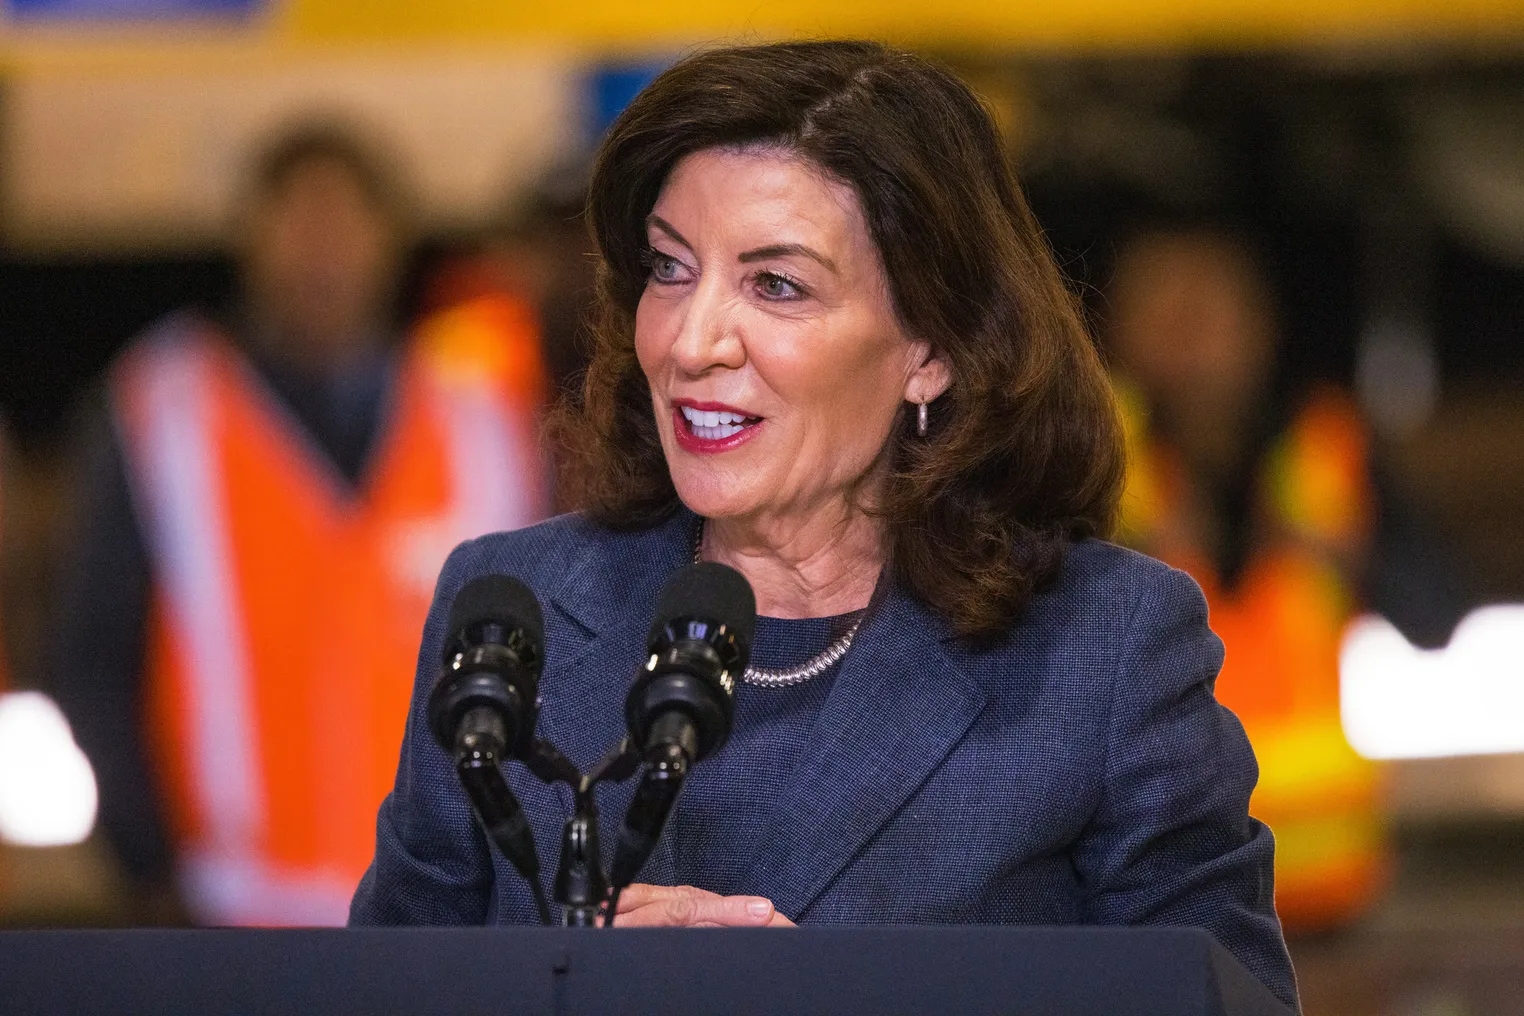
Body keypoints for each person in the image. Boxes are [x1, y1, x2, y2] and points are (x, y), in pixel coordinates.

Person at [351, 41, 1298, 1010]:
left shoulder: (1104, 650)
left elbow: (1228, 1002)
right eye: (670, 269)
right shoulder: (514, 614)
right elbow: (381, 993)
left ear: (931, 348)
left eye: (777, 285)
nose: (690, 340)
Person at [48, 122, 549, 927]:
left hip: (443, 912)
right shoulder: (159, 410)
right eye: (298, 221)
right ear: (250, 239)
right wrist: (146, 867)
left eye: (346, 222)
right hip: (231, 907)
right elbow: (93, 656)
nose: (323, 251)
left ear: (391, 241)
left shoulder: (481, 420)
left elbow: (548, 664)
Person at [1106, 226, 1385, 932]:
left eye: (1207, 315)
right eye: (1168, 317)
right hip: (1156, 894)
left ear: (1262, 328)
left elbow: (1442, 606)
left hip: (1328, 893)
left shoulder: (1329, 446)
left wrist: (1348, 559)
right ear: (1119, 330)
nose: (1189, 342)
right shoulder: (1088, 463)